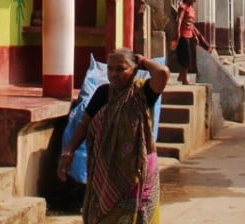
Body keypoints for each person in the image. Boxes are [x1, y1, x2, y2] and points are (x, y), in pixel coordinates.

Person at [57, 48, 168, 223]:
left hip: (139, 169)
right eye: (110, 69)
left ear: (134, 70)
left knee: (138, 215)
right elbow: (84, 123)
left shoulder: (143, 92)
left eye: (120, 69)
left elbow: (162, 73)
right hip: (106, 168)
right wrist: (68, 150)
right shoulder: (102, 93)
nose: (113, 74)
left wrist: (143, 61)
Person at [175, 0, 210, 85]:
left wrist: (196, 36)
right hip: (183, 35)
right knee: (185, 58)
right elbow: (179, 20)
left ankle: (181, 76)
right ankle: (184, 79)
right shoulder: (183, 7)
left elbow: (192, 25)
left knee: (189, 57)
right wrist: (177, 32)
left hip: (190, 35)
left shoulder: (192, 10)